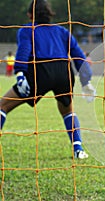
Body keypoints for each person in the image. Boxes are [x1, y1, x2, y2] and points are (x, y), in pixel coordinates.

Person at [0, 0, 95, 159]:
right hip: (64, 72)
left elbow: (23, 51)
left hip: (40, 71)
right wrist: (86, 81)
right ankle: (78, 149)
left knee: (3, 105)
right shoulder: (63, 32)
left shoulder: (27, 29)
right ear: (50, 15)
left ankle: (78, 148)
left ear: (30, 15)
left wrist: (20, 75)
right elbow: (78, 56)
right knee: (68, 110)